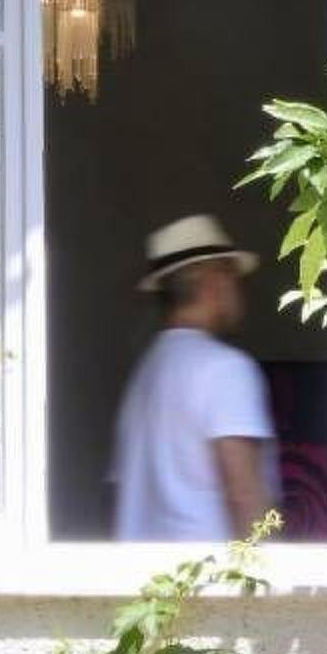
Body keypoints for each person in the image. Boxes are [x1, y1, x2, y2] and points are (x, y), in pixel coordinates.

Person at [111, 214, 280, 542]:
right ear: (215, 280)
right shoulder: (226, 369)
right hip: (209, 573)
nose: (240, 289)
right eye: (233, 275)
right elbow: (245, 497)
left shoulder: (142, 378)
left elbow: (114, 497)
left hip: (142, 575)